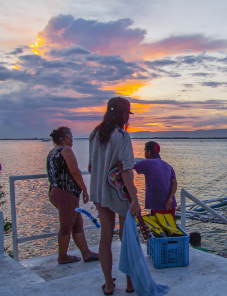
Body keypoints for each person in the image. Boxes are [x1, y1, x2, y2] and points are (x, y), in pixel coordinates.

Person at [89, 97, 140, 295]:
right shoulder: (122, 136)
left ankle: (108, 284)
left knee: (105, 238)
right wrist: (134, 199)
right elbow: (126, 169)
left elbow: (91, 166)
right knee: (126, 237)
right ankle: (130, 283)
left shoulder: (95, 134)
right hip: (119, 191)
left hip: (101, 191)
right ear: (124, 115)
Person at [46, 127, 99, 264]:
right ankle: (62, 256)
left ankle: (86, 253)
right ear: (65, 138)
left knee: (77, 224)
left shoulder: (52, 153)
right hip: (66, 192)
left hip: (55, 191)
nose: (72, 141)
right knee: (66, 226)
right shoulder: (65, 150)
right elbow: (75, 171)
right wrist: (84, 190)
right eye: (71, 138)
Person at [134, 141, 177, 218]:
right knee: (170, 228)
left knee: (158, 228)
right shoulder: (167, 165)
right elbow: (174, 183)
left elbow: (128, 166)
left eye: (145, 150)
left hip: (158, 205)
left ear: (149, 152)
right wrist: (170, 198)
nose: (144, 153)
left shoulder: (147, 163)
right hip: (171, 204)